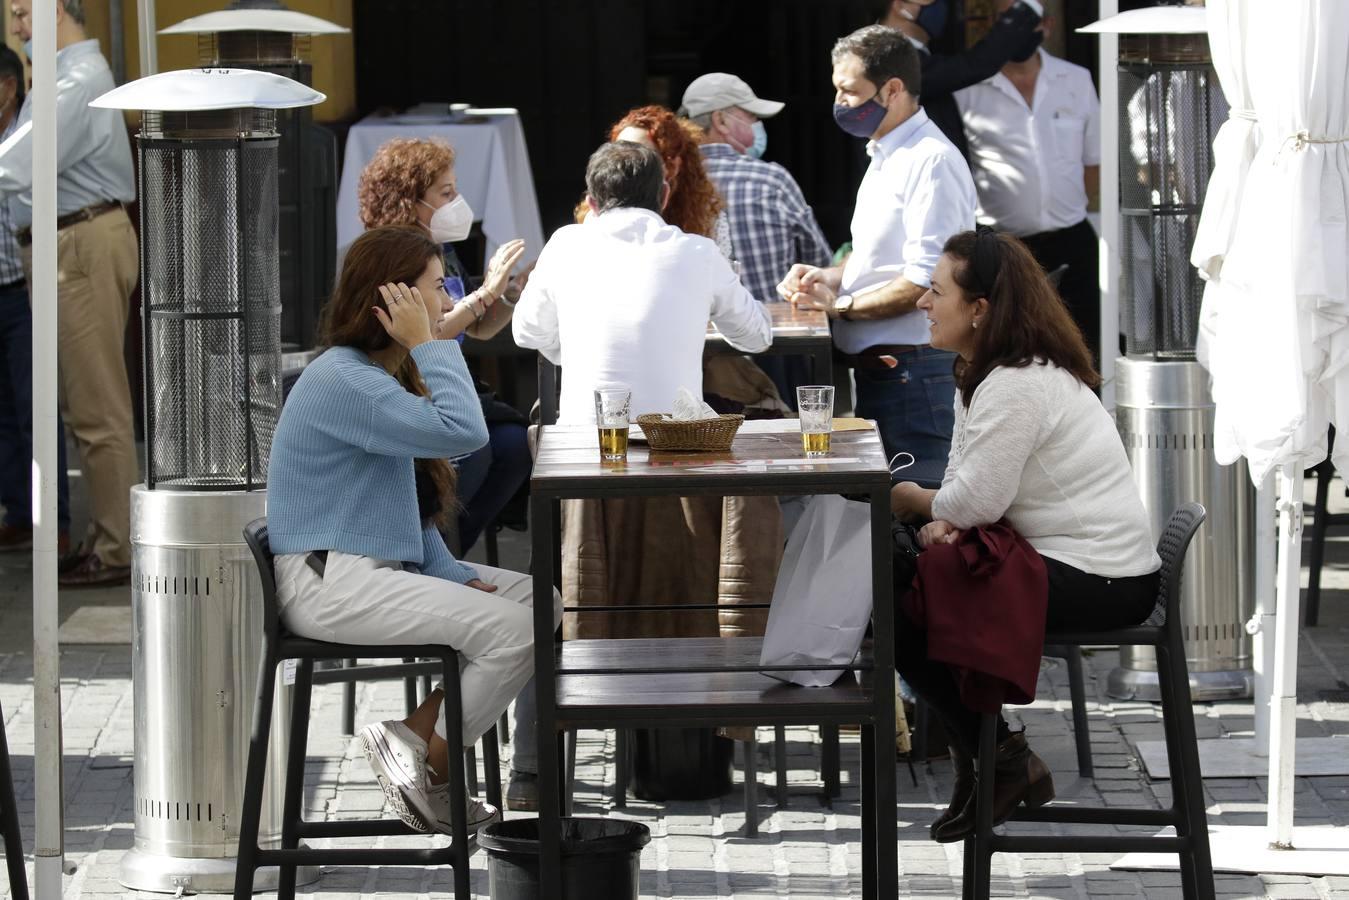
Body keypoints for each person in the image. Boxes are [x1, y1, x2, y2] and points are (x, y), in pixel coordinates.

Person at [267, 225, 560, 834]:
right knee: (516, 632)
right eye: (437, 286)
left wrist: (449, 570)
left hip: (363, 571)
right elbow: (465, 432)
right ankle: (435, 766)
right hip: (332, 583)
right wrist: (433, 343)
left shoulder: (371, 372)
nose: (449, 299)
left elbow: (400, 496)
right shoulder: (345, 380)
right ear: (396, 302)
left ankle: (413, 738)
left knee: (543, 604)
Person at [889, 229, 1160, 843]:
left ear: (980, 308)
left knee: (898, 584)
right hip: (1074, 562)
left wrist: (913, 502)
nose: (923, 304)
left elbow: (972, 500)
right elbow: (967, 490)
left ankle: (998, 758)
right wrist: (944, 515)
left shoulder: (1015, 382)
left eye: (936, 292)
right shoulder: (991, 372)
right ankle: (987, 758)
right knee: (901, 576)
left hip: (1105, 580)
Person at [779, 25, 976, 484]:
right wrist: (829, 277)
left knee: (921, 523)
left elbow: (929, 279)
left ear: (892, 90)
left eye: (850, 90)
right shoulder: (886, 153)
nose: (840, 102)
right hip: (887, 371)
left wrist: (842, 306)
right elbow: (877, 257)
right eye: (837, 90)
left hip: (915, 372)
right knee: (890, 522)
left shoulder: (931, 160)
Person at [0, 0, 138, 585]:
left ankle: (116, 550)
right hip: (71, 239)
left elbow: (24, 161)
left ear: (57, 10)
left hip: (79, 241)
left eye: (26, 13)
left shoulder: (77, 78)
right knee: (85, 404)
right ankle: (106, 540)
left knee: (96, 407)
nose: (18, 27)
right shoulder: (69, 76)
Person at [356, 138, 530, 554]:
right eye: (446, 194)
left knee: (515, 447)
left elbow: (481, 329)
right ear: (409, 199)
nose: (458, 203)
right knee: (476, 452)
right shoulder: (392, 254)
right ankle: (420, 554)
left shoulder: (442, 251)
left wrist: (509, 293)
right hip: (410, 389)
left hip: (453, 386)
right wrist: (484, 294)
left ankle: (451, 554)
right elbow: (424, 333)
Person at [515, 140, 771, 421]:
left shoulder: (564, 244)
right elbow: (756, 337)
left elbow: (527, 332)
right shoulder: (700, 252)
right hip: (674, 443)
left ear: (591, 204)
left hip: (584, 443)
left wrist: (580, 353)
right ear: (664, 195)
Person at [955, 2, 1102, 365]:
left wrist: (1060, 206)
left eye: (1024, 20)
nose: (1014, 29)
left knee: (1079, 350)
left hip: (1070, 240)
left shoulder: (1076, 79)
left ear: (1047, 26)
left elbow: (1093, 161)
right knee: (1006, 353)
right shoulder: (967, 88)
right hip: (1002, 247)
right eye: (1006, 20)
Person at [679, 72, 833, 405]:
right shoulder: (772, 180)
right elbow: (818, 262)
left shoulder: (670, 184)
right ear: (720, 119)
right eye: (751, 117)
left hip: (693, 354)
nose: (757, 126)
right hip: (777, 345)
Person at [0, 43, 71, 554]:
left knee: (35, 407)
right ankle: (19, 513)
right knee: (3, 411)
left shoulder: (23, 139)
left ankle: (56, 521)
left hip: (23, 292)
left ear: (7, 86)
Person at [875, 0, 1045, 161]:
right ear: (900, 6)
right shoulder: (890, 60)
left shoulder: (916, 56)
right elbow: (977, 64)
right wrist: (1027, 7)